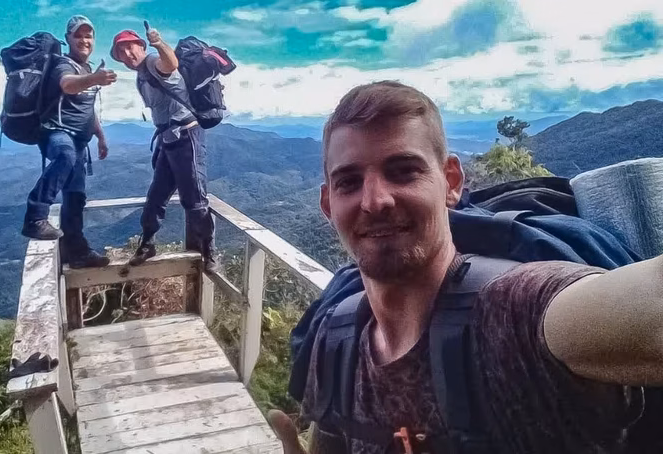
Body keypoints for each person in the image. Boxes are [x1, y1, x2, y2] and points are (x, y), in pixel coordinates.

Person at [266, 81, 663, 453]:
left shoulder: (515, 311)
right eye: (349, 182)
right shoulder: (335, 340)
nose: (375, 201)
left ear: (451, 182)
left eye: (403, 171)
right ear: (328, 204)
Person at [109, 24, 217, 273]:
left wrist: (158, 43)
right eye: (121, 52)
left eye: (130, 48)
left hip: (187, 137)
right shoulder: (141, 75)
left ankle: (209, 251)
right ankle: (147, 244)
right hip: (168, 140)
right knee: (156, 197)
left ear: (141, 46)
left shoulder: (152, 62)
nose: (127, 55)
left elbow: (171, 63)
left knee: (195, 200)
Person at [22, 15, 117, 269]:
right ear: (68, 39)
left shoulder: (87, 69)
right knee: (65, 156)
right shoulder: (62, 64)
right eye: (78, 35)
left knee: (76, 197)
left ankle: (77, 251)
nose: (84, 40)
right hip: (56, 133)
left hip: (80, 140)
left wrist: (100, 136)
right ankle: (35, 217)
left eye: (88, 35)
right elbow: (67, 86)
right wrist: (94, 79)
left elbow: (87, 109)